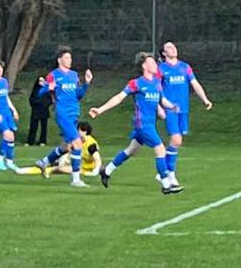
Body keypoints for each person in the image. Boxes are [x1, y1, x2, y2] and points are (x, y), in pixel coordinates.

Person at [89, 52, 183, 194]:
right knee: (160, 149)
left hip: (150, 123)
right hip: (142, 124)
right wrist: (100, 110)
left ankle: (106, 171)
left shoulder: (157, 83)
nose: (155, 65)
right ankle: (166, 185)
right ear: (144, 66)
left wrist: (172, 106)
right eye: (152, 62)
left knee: (131, 151)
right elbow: (119, 97)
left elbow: (162, 100)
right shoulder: (136, 83)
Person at [35, 47, 93, 187]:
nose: (70, 60)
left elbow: (78, 95)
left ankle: (44, 162)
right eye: (67, 58)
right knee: (77, 144)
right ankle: (75, 180)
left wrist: (86, 83)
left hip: (74, 112)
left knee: (67, 146)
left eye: (70, 58)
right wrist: (48, 88)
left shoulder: (74, 75)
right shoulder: (53, 75)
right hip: (63, 113)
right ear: (59, 60)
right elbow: (40, 93)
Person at [157, 41, 213, 187]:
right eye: (169, 47)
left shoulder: (185, 67)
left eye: (174, 46)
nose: (173, 49)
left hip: (183, 109)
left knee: (177, 142)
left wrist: (205, 99)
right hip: (170, 109)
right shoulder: (161, 69)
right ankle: (170, 174)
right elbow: (156, 88)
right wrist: (159, 107)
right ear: (164, 53)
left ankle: (163, 170)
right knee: (176, 140)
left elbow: (195, 83)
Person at [17, 121, 101, 177]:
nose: (76, 132)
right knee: (59, 167)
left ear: (85, 132)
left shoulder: (90, 144)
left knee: (59, 168)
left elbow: (97, 158)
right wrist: (64, 158)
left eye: (78, 130)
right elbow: (69, 150)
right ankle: (42, 169)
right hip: (81, 166)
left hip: (87, 168)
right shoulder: (77, 141)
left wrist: (95, 170)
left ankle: (34, 170)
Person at [27, 74, 53, 146]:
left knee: (44, 127)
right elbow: (31, 100)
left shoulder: (47, 91)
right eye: (40, 81)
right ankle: (30, 141)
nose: (42, 82)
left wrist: (45, 104)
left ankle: (42, 141)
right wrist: (35, 103)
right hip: (35, 111)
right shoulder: (35, 90)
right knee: (33, 126)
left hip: (44, 110)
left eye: (43, 81)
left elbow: (50, 100)